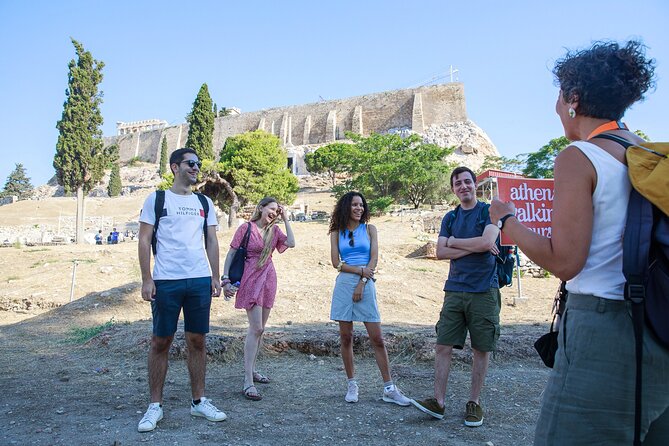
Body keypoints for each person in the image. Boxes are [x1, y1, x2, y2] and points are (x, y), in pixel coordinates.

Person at [490, 41, 668, 445]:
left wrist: (507, 221)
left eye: (559, 96)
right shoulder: (647, 154)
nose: (555, 107)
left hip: (605, 334)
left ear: (573, 99)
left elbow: (566, 261)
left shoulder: (579, 156)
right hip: (660, 325)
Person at [136, 148, 225, 433]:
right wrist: (146, 278)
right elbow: (144, 239)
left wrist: (215, 276)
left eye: (198, 164)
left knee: (198, 340)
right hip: (166, 281)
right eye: (190, 163)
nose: (196, 168)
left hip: (199, 279)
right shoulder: (157, 199)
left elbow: (211, 240)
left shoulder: (205, 202)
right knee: (160, 342)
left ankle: (198, 402)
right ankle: (154, 406)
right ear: (175, 167)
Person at [412, 166, 500, 426]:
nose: (463, 187)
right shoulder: (449, 218)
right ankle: (438, 402)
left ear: (475, 185)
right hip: (455, 289)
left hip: (484, 290)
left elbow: (487, 243)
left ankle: (474, 403)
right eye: (457, 183)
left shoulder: (489, 212)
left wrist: (454, 242)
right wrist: (474, 245)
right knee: (442, 346)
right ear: (453, 189)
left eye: (467, 182)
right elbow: (440, 252)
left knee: (481, 348)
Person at [328, 191, 411, 406]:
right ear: (346, 207)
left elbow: (374, 259)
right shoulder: (337, 232)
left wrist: (363, 282)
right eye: (355, 205)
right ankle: (352, 384)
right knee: (346, 337)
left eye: (362, 205)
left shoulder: (370, 229)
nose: (359, 208)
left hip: (366, 283)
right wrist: (358, 272)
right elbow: (335, 262)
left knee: (377, 338)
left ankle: (389, 388)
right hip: (345, 284)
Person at [221, 197, 295, 401]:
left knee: (260, 329)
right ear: (261, 208)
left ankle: (252, 370)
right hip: (250, 277)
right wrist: (225, 278)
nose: (274, 212)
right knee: (257, 329)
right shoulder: (246, 228)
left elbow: (291, 243)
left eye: (277, 210)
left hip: (268, 277)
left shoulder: (275, 231)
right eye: (271, 208)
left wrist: (286, 218)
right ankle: (247, 380)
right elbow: (231, 253)